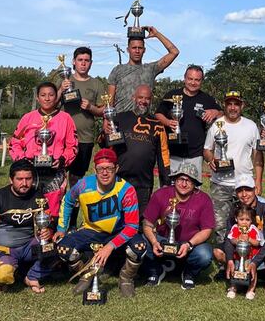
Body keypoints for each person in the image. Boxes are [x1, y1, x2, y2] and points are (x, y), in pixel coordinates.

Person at [55, 148, 147, 299]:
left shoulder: (126, 190)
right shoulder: (83, 185)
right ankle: (86, 275)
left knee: (139, 247)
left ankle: (126, 279)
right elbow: (68, 201)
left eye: (109, 168)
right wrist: (61, 228)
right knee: (63, 248)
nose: (105, 173)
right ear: (94, 169)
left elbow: (132, 227)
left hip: (119, 232)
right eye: (101, 169)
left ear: (116, 168)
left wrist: (110, 247)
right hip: (92, 231)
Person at [0, 159, 56, 294]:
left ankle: (31, 276)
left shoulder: (38, 197)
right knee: (3, 274)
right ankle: (10, 274)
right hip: (4, 250)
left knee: (57, 250)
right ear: (10, 179)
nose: (24, 183)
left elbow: (49, 221)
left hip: (29, 246)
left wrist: (49, 230)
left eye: (28, 179)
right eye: (19, 179)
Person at [203, 91, 263, 251]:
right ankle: (224, 258)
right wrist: (210, 160)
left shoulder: (251, 126)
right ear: (224, 105)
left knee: (247, 223)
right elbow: (207, 149)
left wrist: (258, 181)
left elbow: (258, 155)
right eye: (229, 104)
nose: (233, 107)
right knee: (221, 224)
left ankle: (248, 258)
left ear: (242, 105)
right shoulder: (216, 125)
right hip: (220, 184)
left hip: (244, 185)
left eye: (236, 104)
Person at [9, 82, 78, 219]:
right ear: (37, 98)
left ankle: (53, 237)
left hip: (54, 173)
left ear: (56, 96)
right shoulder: (28, 118)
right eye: (43, 95)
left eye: (51, 95)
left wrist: (62, 160)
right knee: (28, 210)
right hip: (29, 173)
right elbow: (15, 142)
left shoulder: (66, 118)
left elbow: (72, 146)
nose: (47, 98)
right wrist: (22, 160)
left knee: (53, 213)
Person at [141, 161, 215, 290]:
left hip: (189, 244)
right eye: (181, 179)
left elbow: (207, 229)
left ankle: (188, 273)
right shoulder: (161, 194)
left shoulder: (204, 199)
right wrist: (154, 242)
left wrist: (189, 244)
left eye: (189, 180)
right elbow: (147, 224)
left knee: (205, 254)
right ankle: (155, 271)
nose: (184, 184)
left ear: (195, 184)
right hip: (162, 241)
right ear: (175, 179)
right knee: (141, 242)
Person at [213, 178, 265, 293]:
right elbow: (228, 236)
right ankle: (238, 274)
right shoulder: (235, 208)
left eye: (248, 190)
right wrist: (229, 260)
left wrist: (255, 262)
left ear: (255, 189)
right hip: (243, 248)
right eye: (239, 191)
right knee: (218, 252)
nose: (244, 194)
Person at [107, 84, 170, 213]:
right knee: (116, 217)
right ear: (133, 98)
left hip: (144, 182)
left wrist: (166, 181)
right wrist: (104, 134)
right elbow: (107, 146)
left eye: (147, 98)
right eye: (140, 97)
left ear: (151, 100)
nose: (143, 101)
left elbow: (163, 155)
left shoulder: (158, 125)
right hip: (120, 179)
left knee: (140, 220)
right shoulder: (119, 118)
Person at [155, 64, 221, 174]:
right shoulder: (172, 95)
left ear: (201, 81)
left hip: (195, 153)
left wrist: (214, 112)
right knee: (170, 188)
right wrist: (167, 122)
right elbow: (158, 114)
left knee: (193, 189)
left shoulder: (206, 98)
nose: (193, 83)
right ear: (184, 78)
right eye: (190, 79)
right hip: (172, 152)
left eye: (197, 80)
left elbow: (222, 114)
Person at [58, 46, 107, 184]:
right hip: (62, 137)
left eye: (87, 60)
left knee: (76, 177)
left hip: (84, 138)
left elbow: (103, 110)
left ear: (91, 63)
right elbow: (52, 103)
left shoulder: (97, 84)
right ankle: (58, 205)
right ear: (74, 62)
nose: (83, 63)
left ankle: (73, 204)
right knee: (58, 177)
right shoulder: (64, 80)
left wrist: (90, 107)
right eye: (80, 60)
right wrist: (61, 89)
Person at [107, 26, 179, 113]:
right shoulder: (117, 70)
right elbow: (109, 102)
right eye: (134, 48)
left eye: (140, 48)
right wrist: (107, 119)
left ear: (144, 50)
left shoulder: (151, 69)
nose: (137, 51)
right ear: (128, 50)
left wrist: (157, 34)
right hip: (121, 121)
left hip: (144, 122)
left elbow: (174, 52)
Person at [224, 202, 263, 300]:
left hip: (250, 257)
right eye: (241, 219)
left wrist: (249, 239)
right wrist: (237, 239)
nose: (244, 222)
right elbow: (231, 239)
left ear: (251, 220)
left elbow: (258, 243)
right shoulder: (235, 228)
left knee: (252, 273)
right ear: (236, 219)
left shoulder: (253, 229)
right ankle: (233, 288)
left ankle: (251, 290)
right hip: (238, 256)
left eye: (247, 220)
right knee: (235, 270)